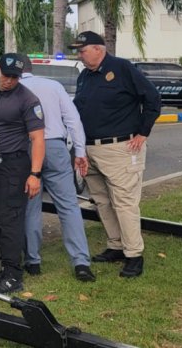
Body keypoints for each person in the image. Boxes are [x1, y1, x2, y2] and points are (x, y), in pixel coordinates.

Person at [69, 32, 161, 278]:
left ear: (99, 49)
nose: (79, 54)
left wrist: (143, 132)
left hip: (120, 148)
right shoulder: (85, 76)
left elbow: (152, 98)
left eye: (82, 49)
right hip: (90, 148)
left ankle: (134, 255)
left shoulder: (121, 68)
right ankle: (116, 245)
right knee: (101, 200)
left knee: (124, 202)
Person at [18, 60, 95, 282]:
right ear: (31, 69)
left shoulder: (14, 88)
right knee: (69, 206)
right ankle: (81, 262)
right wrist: (80, 151)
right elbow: (73, 120)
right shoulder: (54, 86)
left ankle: (32, 261)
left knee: (31, 206)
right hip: (55, 146)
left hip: (26, 148)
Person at [0, 53, 45, 294]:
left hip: (13, 166)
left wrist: (34, 174)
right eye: (6, 75)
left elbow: (38, 138)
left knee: (10, 220)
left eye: (15, 77)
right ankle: (4, 270)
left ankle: (13, 275)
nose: (10, 81)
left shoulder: (27, 99)